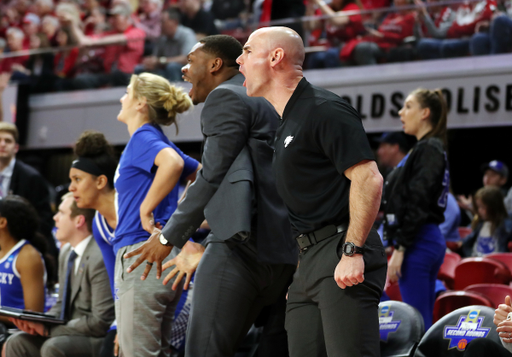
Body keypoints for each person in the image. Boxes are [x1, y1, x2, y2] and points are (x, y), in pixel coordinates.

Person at [123, 34, 298, 357]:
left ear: (215, 65)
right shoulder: (266, 100)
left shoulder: (226, 97)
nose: (185, 71)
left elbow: (211, 174)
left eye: (190, 62)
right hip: (283, 253)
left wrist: (167, 239)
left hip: (241, 248)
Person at [236, 27, 387, 356]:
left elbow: (369, 178)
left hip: (343, 248)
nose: (239, 60)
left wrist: (352, 250)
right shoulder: (287, 121)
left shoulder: (324, 108)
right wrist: (304, 270)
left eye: (247, 51)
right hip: (310, 260)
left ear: (276, 57)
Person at [114, 72, 199, 357]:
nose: (122, 98)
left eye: (127, 92)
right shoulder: (155, 138)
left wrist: (145, 208)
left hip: (142, 253)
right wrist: (181, 217)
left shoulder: (143, 136)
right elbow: (201, 174)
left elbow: (173, 164)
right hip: (160, 252)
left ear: (140, 104)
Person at [3, 193, 115, 357]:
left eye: (61, 213)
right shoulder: (66, 252)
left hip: (95, 337)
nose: (55, 218)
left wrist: (49, 330)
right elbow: (60, 305)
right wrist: (37, 322)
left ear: (79, 221)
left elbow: (100, 322)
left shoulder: (99, 257)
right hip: (68, 331)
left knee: (53, 346)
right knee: (17, 341)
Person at [383, 88, 449, 329]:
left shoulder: (428, 148)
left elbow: (419, 201)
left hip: (418, 241)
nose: (401, 112)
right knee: (421, 321)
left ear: (424, 113)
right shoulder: (425, 148)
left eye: (408, 106)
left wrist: (400, 248)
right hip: (423, 239)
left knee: (416, 324)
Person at [0, 123, 57, 260]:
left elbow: (44, 219)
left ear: (16, 147)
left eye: (7, 140)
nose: (2, 144)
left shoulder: (31, 177)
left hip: (24, 247)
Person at [0, 196, 55, 325]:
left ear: (2, 222)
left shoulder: (28, 256)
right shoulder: (3, 251)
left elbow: (33, 315)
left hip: (15, 333)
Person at [135, 8, 196, 82]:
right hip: (164, 69)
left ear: (175, 22)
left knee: (172, 67)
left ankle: (176, 91)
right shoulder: (162, 38)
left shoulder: (187, 34)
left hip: (184, 71)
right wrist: (150, 61)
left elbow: (187, 59)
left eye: (163, 22)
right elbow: (156, 57)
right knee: (139, 69)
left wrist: (161, 61)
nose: (160, 25)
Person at [460, 186, 512, 257]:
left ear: (493, 207)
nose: (479, 210)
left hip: (494, 262)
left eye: (482, 207)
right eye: (478, 207)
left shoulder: (506, 226)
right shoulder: (480, 223)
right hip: (474, 259)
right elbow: (468, 242)